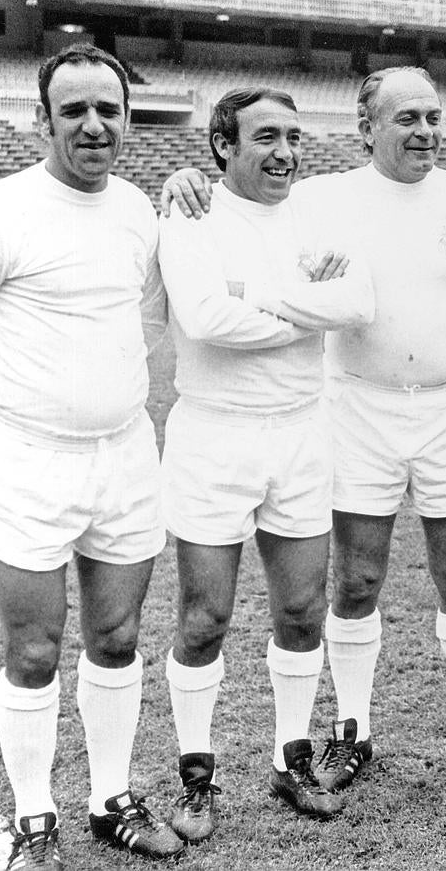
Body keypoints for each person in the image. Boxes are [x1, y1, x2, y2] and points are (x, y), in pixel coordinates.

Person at [161, 66, 446, 790]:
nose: (424, 131)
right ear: (367, 128)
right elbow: (237, 202)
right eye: (406, 119)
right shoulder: (318, 198)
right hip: (354, 410)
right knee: (356, 580)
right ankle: (352, 730)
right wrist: (182, 179)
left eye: (433, 117)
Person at [0, 43, 182, 870]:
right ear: (42, 120)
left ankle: (109, 800)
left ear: (127, 120)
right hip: (27, 459)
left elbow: (150, 317)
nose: (94, 125)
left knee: (117, 637)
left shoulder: (136, 210)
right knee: (33, 650)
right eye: (75, 110)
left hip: (124, 455)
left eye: (108, 110)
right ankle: (33, 816)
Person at [157, 87, 376, 841]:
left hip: (301, 432)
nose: (284, 153)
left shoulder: (317, 215)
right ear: (223, 145)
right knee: (205, 618)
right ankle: (196, 777)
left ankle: (291, 758)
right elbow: (204, 319)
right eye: (265, 137)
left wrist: (256, 297)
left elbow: (359, 303)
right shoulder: (190, 213)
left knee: (302, 612)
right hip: (213, 436)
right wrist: (304, 306)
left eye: (293, 136)